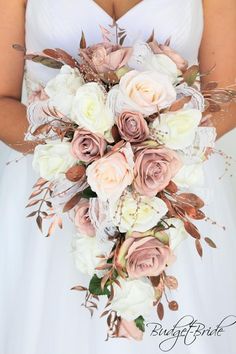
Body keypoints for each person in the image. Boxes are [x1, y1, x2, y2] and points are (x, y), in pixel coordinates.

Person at [0, 1, 235, 353]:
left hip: (170, 190)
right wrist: (81, 149)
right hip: (56, 203)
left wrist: (154, 152)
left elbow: (227, 97)